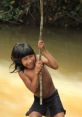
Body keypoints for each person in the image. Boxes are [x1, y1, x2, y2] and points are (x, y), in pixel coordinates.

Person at [10, 40, 66, 117]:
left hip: (53, 97)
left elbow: (55, 66)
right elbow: (33, 89)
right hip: (39, 100)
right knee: (33, 116)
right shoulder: (22, 72)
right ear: (19, 61)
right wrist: (36, 73)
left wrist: (44, 50)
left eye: (30, 56)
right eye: (25, 59)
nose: (30, 61)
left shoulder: (38, 58)